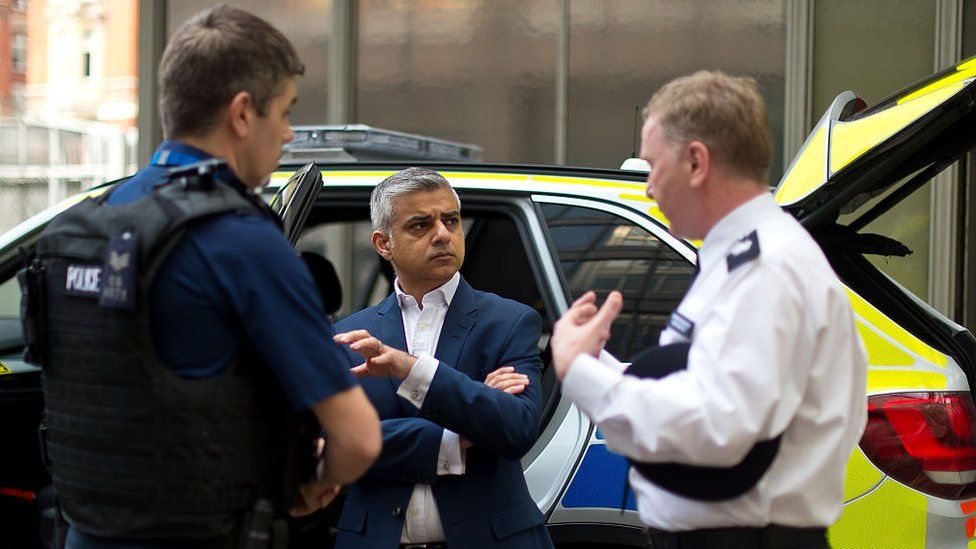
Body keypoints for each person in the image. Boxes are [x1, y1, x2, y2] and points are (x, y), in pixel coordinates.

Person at [23, 5, 380, 548]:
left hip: (83, 531)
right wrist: (313, 484)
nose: (287, 133)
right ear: (242, 114)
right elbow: (357, 439)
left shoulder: (87, 222)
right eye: (283, 112)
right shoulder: (242, 242)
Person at [550, 71, 867, 548]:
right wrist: (598, 360)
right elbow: (706, 381)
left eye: (652, 165)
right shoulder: (742, 257)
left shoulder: (767, 269)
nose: (649, 187)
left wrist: (579, 372)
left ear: (697, 162)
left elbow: (716, 428)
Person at [330, 167, 554, 549]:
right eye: (421, 225)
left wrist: (411, 370)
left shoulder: (509, 321)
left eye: (451, 220)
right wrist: (462, 432)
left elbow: (516, 428)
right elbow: (335, 447)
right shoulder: (351, 335)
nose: (442, 234)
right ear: (384, 244)